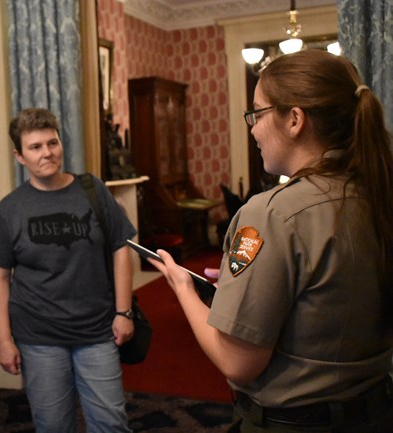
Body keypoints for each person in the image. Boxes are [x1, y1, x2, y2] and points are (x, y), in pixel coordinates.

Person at [149, 50, 393, 433]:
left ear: (294, 119)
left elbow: (238, 362)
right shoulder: (377, 190)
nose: (252, 129)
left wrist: (184, 287)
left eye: (257, 114)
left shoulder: (272, 213)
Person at [0, 108, 135, 433]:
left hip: (96, 330)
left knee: (111, 424)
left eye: (52, 142)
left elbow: (121, 248)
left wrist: (124, 312)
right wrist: (4, 340)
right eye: (35, 147)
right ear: (19, 156)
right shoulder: (11, 209)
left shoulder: (92, 190)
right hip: (39, 337)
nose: (47, 152)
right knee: (52, 426)